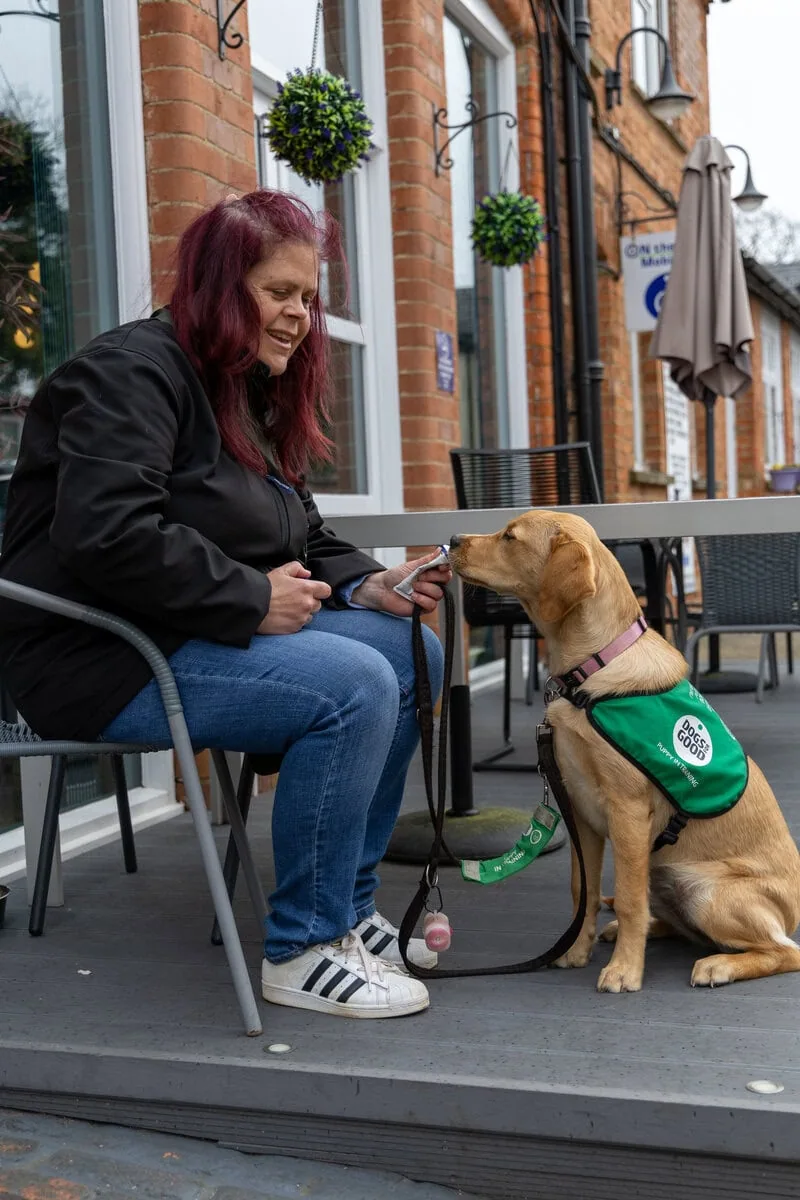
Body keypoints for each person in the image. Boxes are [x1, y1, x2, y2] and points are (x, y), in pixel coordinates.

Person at [0, 189, 450, 1019]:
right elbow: (104, 533)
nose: (299, 316)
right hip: (98, 655)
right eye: (280, 292)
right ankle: (304, 947)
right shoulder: (128, 373)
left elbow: (303, 533)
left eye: (309, 299)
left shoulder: (244, 393)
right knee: (352, 683)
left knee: (409, 653)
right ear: (217, 284)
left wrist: (367, 584)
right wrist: (248, 596)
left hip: (181, 632)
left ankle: (347, 914)